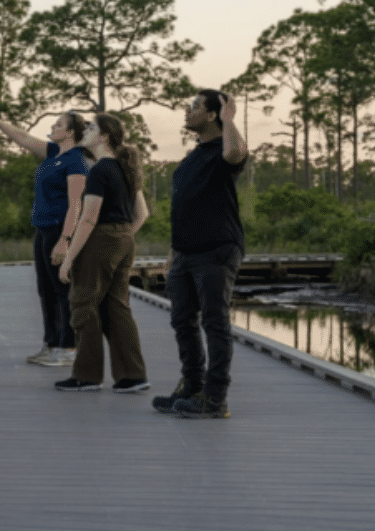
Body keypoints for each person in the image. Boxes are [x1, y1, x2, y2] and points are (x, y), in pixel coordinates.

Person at [152, 90, 248, 418]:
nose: (188, 110)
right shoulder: (192, 158)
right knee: (182, 320)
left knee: (214, 321)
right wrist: (173, 253)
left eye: (195, 106)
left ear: (211, 115)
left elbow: (235, 153)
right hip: (185, 253)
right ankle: (192, 386)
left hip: (216, 249)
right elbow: (186, 209)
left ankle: (215, 398)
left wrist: (229, 119)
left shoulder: (224, 150)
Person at [0, 108, 88, 367]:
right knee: (45, 289)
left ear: (71, 132)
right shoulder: (53, 153)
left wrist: (65, 239)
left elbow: (76, 204)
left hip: (60, 229)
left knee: (62, 289)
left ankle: (69, 348)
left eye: (59, 124)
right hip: (43, 229)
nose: (53, 127)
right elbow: (22, 137)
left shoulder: (76, 161)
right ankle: (51, 344)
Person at [53, 114, 150, 392]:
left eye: (92, 128)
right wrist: (122, 236)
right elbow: (142, 214)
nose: (86, 130)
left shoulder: (99, 171)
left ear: (104, 137)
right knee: (117, 307)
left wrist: (69, 259)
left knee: (83, 303)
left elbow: (88, 218)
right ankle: (132, 376)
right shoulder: (126, 168)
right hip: (124, 238)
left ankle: (87, 376)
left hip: (100, 239)